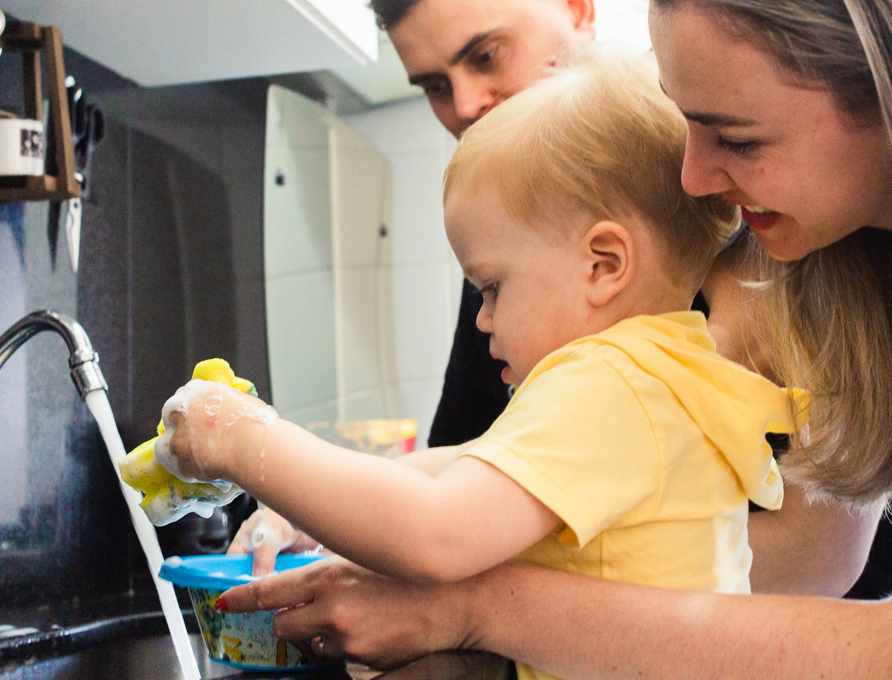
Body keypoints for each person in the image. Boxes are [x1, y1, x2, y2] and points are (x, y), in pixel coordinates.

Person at [219, 0, 892, 678]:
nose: (698, 179)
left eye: (737, 138)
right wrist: (350, 512)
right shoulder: (843, 237)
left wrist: (479, 603)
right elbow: (610, 475)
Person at [235, 0, 892, 604]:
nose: (465, 104)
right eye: (434, 85)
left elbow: (818, 558)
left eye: (486, 54)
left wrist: (479, 594)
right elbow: (485, 467)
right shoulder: (522, 258)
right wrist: (327, 506)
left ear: (576, 7)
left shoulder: (774, 208)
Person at [161, 49, 815, 680]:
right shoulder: (670, 372)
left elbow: (437, 531)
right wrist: (308, 504)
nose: (481, 319)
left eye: (493, 288)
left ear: (604, 265)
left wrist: (243, 440)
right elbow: (457, 464)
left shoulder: (610, 383)